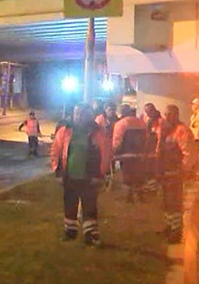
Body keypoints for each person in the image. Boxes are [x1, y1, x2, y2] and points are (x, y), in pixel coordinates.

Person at [52, 104, 112, 245]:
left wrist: (100, 174)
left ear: (88, 115)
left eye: (82, 113)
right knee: (70, 205)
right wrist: (57, 171)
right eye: (76, 113)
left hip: (89, 177)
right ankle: (70, 231)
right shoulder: (65, 131)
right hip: (70, 175)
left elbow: (106, 154)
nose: (78, 116)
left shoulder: (98, 133)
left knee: (89, 205)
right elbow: (56, 151)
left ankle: (91, 234)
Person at [158, 104, 194, 243]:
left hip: (175, 173)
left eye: (170, 114)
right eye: (165, 114)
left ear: (176, 115)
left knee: (175, 204)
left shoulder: (181, 131)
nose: (167, 117)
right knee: (167, 203)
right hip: (166, 173)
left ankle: (176, 231)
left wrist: (182, 171)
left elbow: (189, 154)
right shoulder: (166, 131)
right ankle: (169, 226)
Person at [112, 104, 149, 202]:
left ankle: (129, 197)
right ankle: (140, 196)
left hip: (126, 155)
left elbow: (117, 140)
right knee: (139, 176)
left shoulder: (120, 124)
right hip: (140, 155)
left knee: (127, 176)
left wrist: (114, 152)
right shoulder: (141, 123)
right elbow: (147, 138)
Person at [143, 103, 163, 193]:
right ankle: (152, 187)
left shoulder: (160, 121)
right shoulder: (149, 121)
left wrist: (157, 150)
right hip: (150, 149)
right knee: (150, 169)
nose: (147, 114)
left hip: (157, 149)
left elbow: (160, 136)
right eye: (146, 112)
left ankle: (155, 188)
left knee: (155, 170)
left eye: (149, 111)